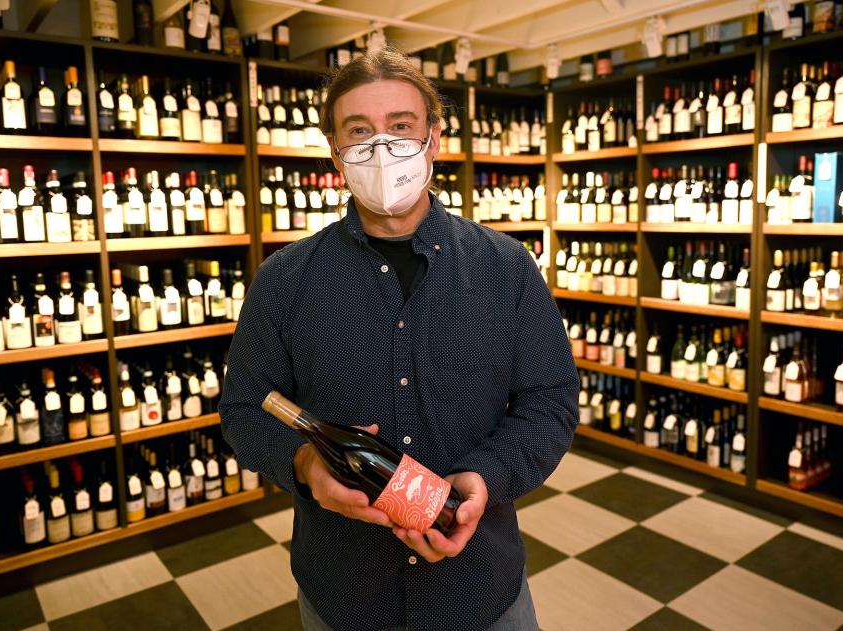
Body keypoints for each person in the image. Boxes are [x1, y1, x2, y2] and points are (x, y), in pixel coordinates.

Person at [220, 46, 578, 631]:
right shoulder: (284, 280)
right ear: (336, 152)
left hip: (483, 589)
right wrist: (307, 463)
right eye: (359, 132)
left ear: (433, 141)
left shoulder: (508, 267)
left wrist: (487, 476)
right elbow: (242, 408)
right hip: (346, 594)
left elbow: (551, 402)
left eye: (401, 128)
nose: (380, 149)